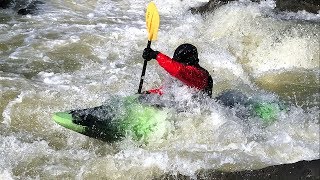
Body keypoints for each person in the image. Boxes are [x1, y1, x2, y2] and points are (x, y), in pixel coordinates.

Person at [142, 43, 213, 97]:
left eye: (178, 62)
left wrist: (156, 55)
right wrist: (149, 93)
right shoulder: (183, 74)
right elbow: (167, 91)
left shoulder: (199, 74)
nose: (175, 64)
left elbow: (177, 70)